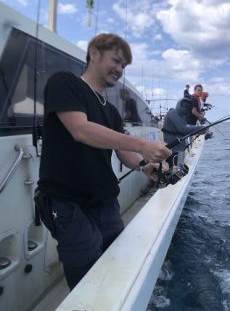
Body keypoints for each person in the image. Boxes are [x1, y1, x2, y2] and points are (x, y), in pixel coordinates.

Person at [37, 33, 171, 290]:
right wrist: (143, 145)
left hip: (105, 203)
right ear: (94, 53)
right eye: (117, 61)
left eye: (124, 66)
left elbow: (120, 149)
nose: (120, 70)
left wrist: (144, 166)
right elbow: (81, 130)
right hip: (67, 205)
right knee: (87, 275)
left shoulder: (111, 111)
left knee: (116, 262)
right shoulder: (65, 83)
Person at [162, 98, 205, 167]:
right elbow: (182, 128)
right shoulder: (173, 112)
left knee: (179, 159)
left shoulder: (181, 117)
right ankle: (174, 169)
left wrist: (199, 131)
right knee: (174, 159)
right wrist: (199, 129)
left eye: (188, 107)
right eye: (184, 106)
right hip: (172, 142)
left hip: (179, 144)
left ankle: (179, 168)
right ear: (179, 105)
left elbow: (186, 128)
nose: (186, 108)